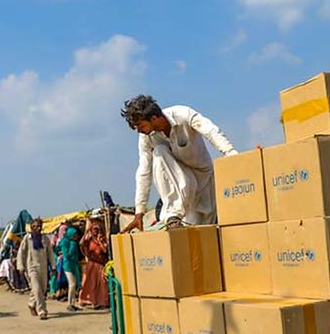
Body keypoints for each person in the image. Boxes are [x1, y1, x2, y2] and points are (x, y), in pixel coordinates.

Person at [120, 94, 237, 231]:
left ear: (153, 118)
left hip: (203, 179)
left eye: (140, 125)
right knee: (159, 152)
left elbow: (211, 131)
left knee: (202, 232)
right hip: (181, 185)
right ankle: (172, 215)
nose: (139, 130)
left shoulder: (182, 114)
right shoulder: (146, 138)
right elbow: (144, 172)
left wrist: (231, 155)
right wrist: (139, 211)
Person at [17, 218, 55, 320]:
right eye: (35, 226)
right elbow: (21, 252)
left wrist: (53, 266)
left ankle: (31, 303)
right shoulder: (27, 238)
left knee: (41, 289)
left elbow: (50, 253)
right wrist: (20, 266)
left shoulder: (45, 239)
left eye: (39, 226)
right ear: (32, 227)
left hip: (43, 267)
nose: (38, 228)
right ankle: (42, 311)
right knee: (37, 289)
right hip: (32, 267)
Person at [79, 219, 109, 309]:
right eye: (94, 229)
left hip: (100, 264)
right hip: (91, 264)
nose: (96, 231)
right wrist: (86, 233)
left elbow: (105, 250)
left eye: (97, 229)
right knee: (91, 283)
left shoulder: (102, 239)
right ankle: (90, 300)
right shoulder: (89, 240)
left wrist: (100, 242)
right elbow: (81, 244)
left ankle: (103, 301)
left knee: (102, 283)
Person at [60, 227, 81, 312]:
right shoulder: (65, 242)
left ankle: (73, 304)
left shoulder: (74, 243)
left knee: (75, 285)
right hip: (68, 266)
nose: (76, 237)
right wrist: (72, 245)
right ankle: (69, 304)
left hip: (74, 266)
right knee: (72, 284)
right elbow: (67, 255)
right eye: (74, 235)